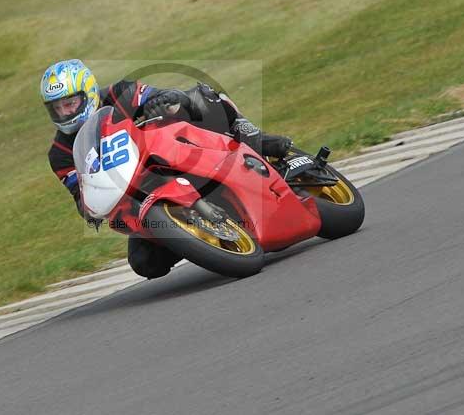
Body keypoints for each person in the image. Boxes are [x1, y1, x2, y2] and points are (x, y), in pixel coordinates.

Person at [41, 59, 292, 279]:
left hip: (172, 153)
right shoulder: (60, 154)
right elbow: (79, 194)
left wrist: (167, 101)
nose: (65, 112)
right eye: (58, 108)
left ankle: (254, 139)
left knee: (198, 98)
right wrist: (89, 207)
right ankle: (197, 239)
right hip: (137, 195)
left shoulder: (120, 93)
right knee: (145, 263)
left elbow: (161, 96)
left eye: (71, 103)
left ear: (89, 93)